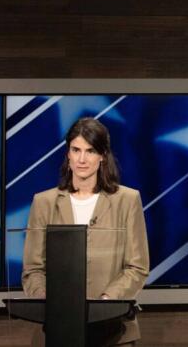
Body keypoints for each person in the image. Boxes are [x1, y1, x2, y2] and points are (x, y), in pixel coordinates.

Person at [22, 117, 150, 346]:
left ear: (102, 156)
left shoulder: (127, 200)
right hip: (58, 329)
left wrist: (105, 301)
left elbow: (137, 267)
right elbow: (33, 269)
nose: (82, 159)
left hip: (114, 329)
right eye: (76, 150)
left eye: (90, 151)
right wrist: (46, 299)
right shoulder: (44, 202)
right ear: (67, 154)